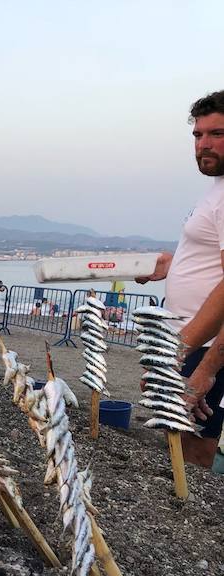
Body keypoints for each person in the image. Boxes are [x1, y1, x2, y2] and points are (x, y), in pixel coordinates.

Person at [136, 90, 224, 469]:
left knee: (195, 452)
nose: (203, 144)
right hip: (190, 342)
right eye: (197, 135)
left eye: (216, 133)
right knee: (179, 441)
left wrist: (195, 363)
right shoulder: (217, 188)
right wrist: (173, 264)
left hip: (205, 347)